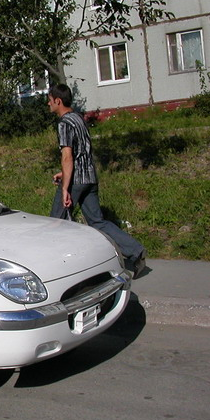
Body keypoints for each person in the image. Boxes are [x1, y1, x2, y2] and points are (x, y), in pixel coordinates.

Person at [47, 83, 146, 279]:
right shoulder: (79, 118)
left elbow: (68, 156)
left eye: (50, 101)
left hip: (76, 181)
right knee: (97, 221)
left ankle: (61, 269)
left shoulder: (64, 123)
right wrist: (63, 173)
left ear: (58, 101)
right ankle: (136, 252)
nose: (48, 104)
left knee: (56, 223)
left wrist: (65, 186)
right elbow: (81, 153)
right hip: (90, 177)